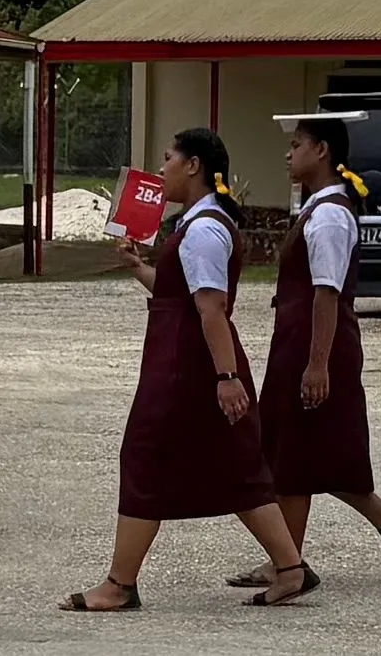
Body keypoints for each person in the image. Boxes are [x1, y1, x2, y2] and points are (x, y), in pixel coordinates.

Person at [61, 127, 321, 612]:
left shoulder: (203, 229)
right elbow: (181, 295)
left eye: (168, 158)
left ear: (194, 165)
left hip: (187, 367)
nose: (161, 170)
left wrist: (226, 379)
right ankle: (290, 568)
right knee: (237, 465)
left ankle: (120, 584)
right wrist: (140, 268)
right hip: (194, 361)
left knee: (143, 456)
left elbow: (210, 309)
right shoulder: (201, 223)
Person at [226, 115, 381, 590]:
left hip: (315, 345)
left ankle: (286, 562)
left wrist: (316, 363)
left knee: (295, 452)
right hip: (300, 342)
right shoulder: (317, 208)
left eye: (298, 144)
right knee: (307, 449)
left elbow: (326, 293)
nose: (289, 154)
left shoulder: (329, 215)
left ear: (322, 151)